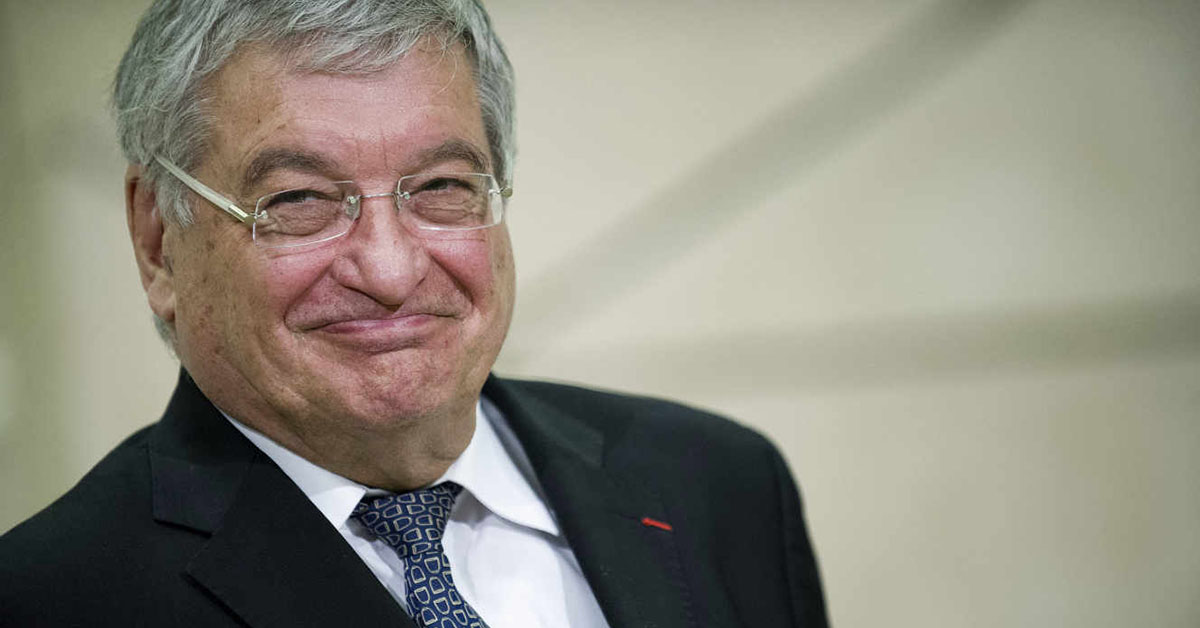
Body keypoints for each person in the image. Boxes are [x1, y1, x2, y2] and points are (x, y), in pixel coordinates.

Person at [0, 1, 827, 626]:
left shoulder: (720, 484)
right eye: (298, 201)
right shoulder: (54, 596)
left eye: (439, 187)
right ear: (157, 241)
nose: (391, 271)